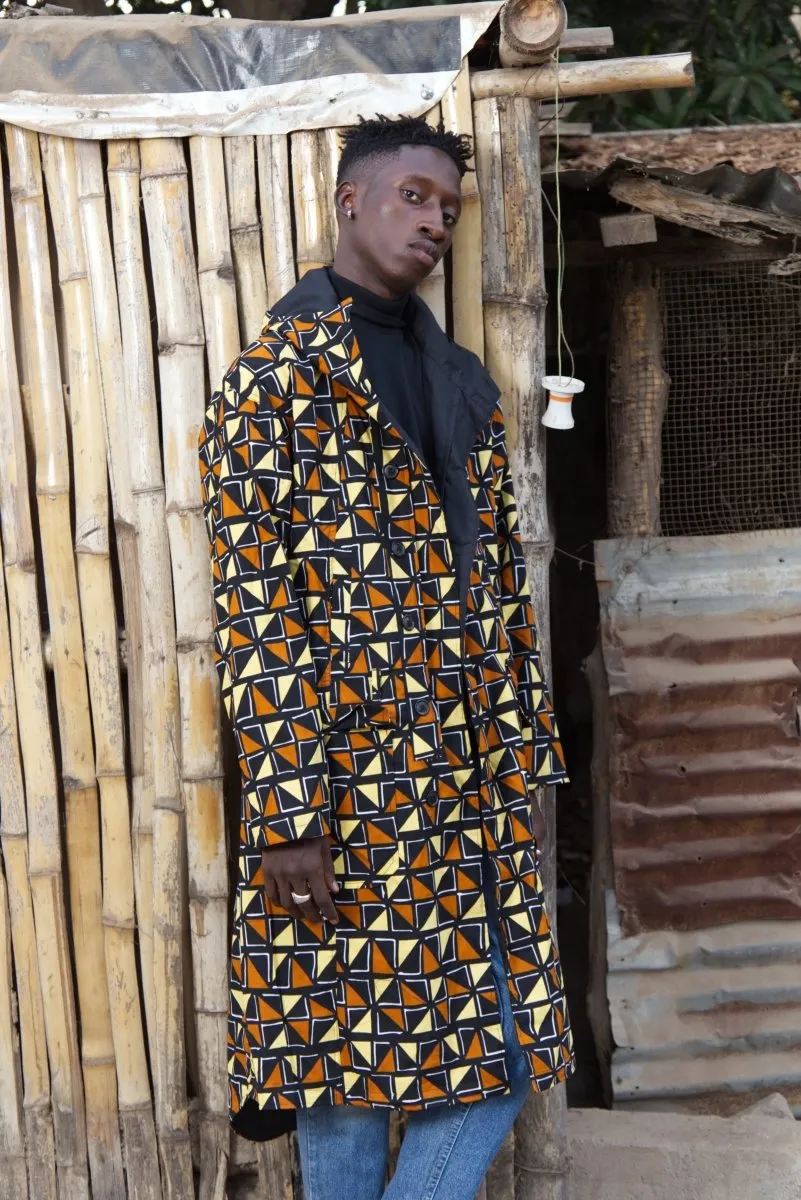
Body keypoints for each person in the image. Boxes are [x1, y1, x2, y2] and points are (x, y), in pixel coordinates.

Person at [198, 114, 574, 1200]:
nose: (435, 220)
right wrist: (287, 819)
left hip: (468, 786)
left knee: (502, 1051)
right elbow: (257, 613)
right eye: (413, 195)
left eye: (449, 207)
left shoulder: (461, 384)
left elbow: (503, 592)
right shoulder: (274, 383)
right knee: (340, 1079)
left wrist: (531, 762)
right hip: (345, 794)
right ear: (350, 201)